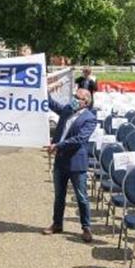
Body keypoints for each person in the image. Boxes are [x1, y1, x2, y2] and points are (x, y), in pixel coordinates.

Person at [43, 87, 98, 243]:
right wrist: (43, 88)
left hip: (76, 162)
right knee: (59, 195)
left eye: (77, 97)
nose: (73, 99)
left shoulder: (90, 118)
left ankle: (86, 227)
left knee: (81, 197)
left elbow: (80, 139)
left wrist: (58, 145)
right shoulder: (68, 110)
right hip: (61, 160)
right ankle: (57, 224)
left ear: (85, 101)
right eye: (74, 96)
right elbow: (52, 104)